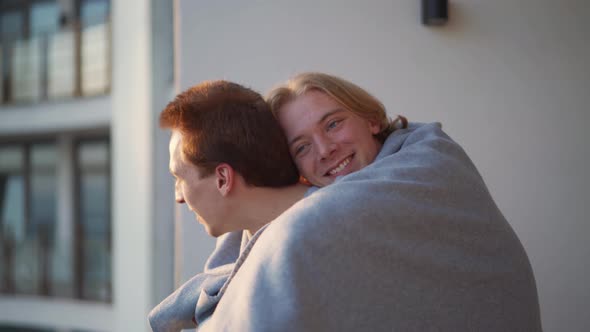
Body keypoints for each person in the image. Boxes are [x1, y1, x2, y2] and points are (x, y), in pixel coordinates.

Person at [152, 73, 543, 331]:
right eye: (301, 146)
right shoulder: (295, 223)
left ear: (372, 119)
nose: (324, 149)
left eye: (334, 123)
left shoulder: (430, 168)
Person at [149, 80, 309, 331]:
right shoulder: (247, 240)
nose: (178, 196)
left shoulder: (315, 240)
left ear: (223, 179)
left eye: (180, 178)